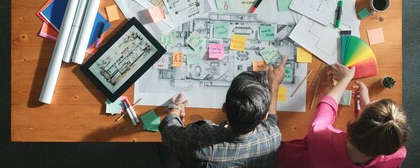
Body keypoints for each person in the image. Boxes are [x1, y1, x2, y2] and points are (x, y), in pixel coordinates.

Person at [159, 56, 288, 167]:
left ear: (224, 107)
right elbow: (272, 121)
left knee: (164, 149)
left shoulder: (199, 145)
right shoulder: (273, 138)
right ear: (263, 117)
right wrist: (273, 86)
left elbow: (169, 132)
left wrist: (175, 108)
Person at [278, 63, 411, 168]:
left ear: (358, 122)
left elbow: (327, 106)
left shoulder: (322, 136)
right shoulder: (397, 155)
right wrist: (368, 109)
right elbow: (379, 133)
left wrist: (345, 78)